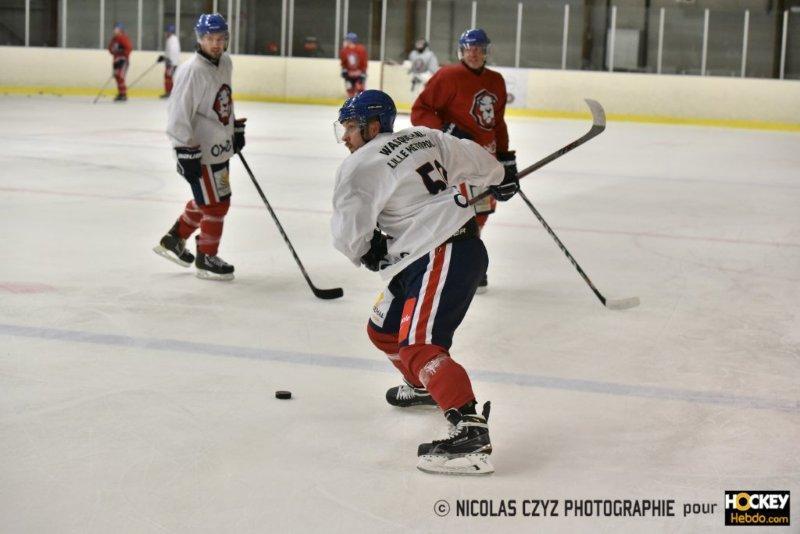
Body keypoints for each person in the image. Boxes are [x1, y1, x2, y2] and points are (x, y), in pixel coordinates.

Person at [330, 90, 519, 475]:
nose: (346, 136)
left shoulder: (359, 165)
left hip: (439, 253)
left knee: (419, 346)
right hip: (435, 254)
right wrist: (500, 176)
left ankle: (469, 431)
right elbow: (476, 159)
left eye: (351, 127)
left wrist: (365, 251)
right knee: (382, 330)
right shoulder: (423, 136)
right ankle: (422, 385)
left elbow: (349, 232)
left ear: (373, 126)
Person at [410, 28, 517, 293]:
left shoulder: (497, 80)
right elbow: (420, 111)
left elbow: (497, 122)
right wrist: (447, 130)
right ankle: (461, 266)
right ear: (461, 50)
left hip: (486, 159)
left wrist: (505, 157)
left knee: (481, 212)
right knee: (459, 213)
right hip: (457, 160)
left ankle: (471, 264)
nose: (474, 53)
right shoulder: (447, 76)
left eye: (479, 48)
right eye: (469, 48)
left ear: (486, 51)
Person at [153, 13, 246, 281]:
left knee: (209, 199)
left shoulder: (225, 62)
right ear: (200, 39)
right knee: (216, 205)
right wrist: (184, 150)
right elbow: (177, 115)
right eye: (209, 39)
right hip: (199, 150)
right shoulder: (191, 71)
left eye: (220, 39)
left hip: (220, 147)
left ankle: (174, 239)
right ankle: (207, 257)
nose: (215, 44)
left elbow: (222, 100)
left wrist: (234, 129)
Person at [107, 22, 132, 102]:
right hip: (116, 60)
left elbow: (129, 48)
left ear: (121, 30)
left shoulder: (123, 38)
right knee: (117, 76)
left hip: (123, 61)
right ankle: (120, 93)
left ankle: (123, 94)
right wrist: (114, 51)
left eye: (117, 29)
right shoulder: (114, 39)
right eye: (115, 28)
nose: (115, 30)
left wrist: (122, 52)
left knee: (120, 76)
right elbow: (110, 49)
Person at [338, 32, 368, 97]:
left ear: (351, 41)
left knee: (360, 90)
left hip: (359, 74)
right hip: (349, 74)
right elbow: (343, 63)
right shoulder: (344, 50)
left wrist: (363, 72)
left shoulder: (361, 49)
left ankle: (359, 104)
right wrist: (344, 70)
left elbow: (364, 61)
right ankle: (351, 105)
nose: (345, 42)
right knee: (349, 91)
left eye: (347, 40)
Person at [158, 24, 181, 98]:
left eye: (166, 32)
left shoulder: (173, 40)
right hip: (170, 62)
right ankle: (169, 92)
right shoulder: (170, 39)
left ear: (170, 32)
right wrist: (164, 57)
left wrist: (166, 59)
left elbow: (173, 52)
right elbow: (169, 52)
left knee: (168, 77)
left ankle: (169, 92)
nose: (165, 33)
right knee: (168, 77)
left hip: (171, 63)